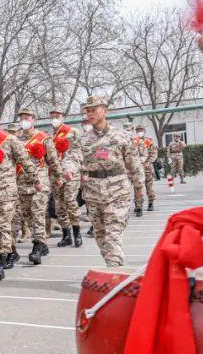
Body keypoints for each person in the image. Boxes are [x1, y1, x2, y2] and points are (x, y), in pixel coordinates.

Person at [62, 96, 145, 266]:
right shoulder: (82, 139)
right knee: (100, 236)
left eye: (94, 110)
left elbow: (134, 164)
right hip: (93, 193)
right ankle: (112, 267)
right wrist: (68, 169)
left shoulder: (122, 136)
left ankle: (115, 274)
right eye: (87, 110)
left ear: (105, 111)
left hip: (117, 192)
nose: (90, 113)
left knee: (112, 236)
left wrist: (139, 188)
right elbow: (73, 157)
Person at [0, 107, 39, 280]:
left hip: (6, 191)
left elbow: (25, 161)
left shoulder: (10, 140)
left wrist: (36, 179)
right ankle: (12, 252)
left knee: (3, 225)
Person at [14, 107, 59, 265]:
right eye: (22, 117)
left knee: (38, 212)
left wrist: (58, 178)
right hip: (22, 183)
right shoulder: (16, 140)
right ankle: (43, 243)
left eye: (28, 117)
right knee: (28, 216)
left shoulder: (43, 138)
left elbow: (53, 161)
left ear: (34, 119)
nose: (25, 120)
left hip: (39, 182)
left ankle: (38, 246)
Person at [49, 107, 82, 248]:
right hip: (55, 176)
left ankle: (77, 233)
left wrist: (70, 169)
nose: (55, 117)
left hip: (70, 173)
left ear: (63, 116)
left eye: (58, 115)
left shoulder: (72, 132)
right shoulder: (49, 136)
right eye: (53, 115)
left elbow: (78, 152)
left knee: (70, 201)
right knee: (59, 206)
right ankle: (66, 234)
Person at [132, 126, 157, 212]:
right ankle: (138, 205)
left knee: (149, 186)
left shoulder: (148, 141)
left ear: (144, 131)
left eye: (141, 130)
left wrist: (149, 162)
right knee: (137, 187)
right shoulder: (133, 140)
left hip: (147, 167)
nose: (139, 132)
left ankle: (151, 203)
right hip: (137, 167)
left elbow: (153, 153)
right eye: (138, 130)